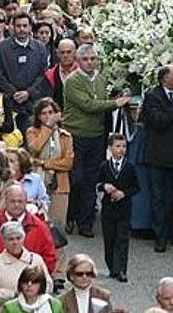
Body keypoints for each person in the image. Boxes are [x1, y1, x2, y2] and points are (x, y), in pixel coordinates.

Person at [63, 44, 130, 237]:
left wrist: (121, 95)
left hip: (97, 135)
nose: (90, 62)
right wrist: (115, 103)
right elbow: (89, 105)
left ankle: (86, 222)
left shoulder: (101, 79)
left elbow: (106, 97)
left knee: (92, 180)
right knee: (75, 179)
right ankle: (70, 216)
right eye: (85, 59)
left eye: (93, 59)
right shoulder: (73, 81)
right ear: (78, 61)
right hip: (76, 135)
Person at [0, 185, 56, 301]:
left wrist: (36, 288)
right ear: (5, 201)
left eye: (20, 201)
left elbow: (49, 259)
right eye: (12, 201)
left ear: (26, 201)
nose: (16, 205)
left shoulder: (40, 227)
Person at [140, 64, 173, 252]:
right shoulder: (153, 96)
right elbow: (158, 120)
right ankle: (160, 236)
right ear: (165, 79)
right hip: (159, 154)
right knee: (158, 197)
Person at [0, 11, 51, 135]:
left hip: (34, 103)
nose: (22, 29)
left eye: (25, 26)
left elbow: (43, 74)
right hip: (10, 104)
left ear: (30, 27)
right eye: (18, 26)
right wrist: (13, 92)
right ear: (12, 27)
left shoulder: (40, 48)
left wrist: (28, 93)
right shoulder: (2, 48)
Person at [0, 221, 53, 313]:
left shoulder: (36, 260)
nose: (15, 242)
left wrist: (32, 294)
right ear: (3, 241)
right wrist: (14, 295)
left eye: (18, 238)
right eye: (10, 239)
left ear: (23, 238)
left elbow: (48, 284)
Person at [97, 133, 140, 283]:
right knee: (109, 239)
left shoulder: (130, 167)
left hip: (124, 210)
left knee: (122, 240)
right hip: (108, 210)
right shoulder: (104, 166)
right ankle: (112, 267)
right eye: (118, 146)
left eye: (123, 146)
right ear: (110, 148)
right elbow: (97, 184)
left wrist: (124, 193)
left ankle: (121, 269)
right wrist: (104, 186)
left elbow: (136, 187)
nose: (121, 149)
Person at [26, 98, 75, 227]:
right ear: (38, 116)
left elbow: (67, 163)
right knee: (37, 225)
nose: (48, 116)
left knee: (57, 227)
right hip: (37, 181)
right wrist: (47, 127)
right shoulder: (32, 132)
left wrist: (43, 163)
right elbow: (35, 148)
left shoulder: (65, 136)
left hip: (59, 185)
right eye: (44, 113)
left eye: (51, 112)